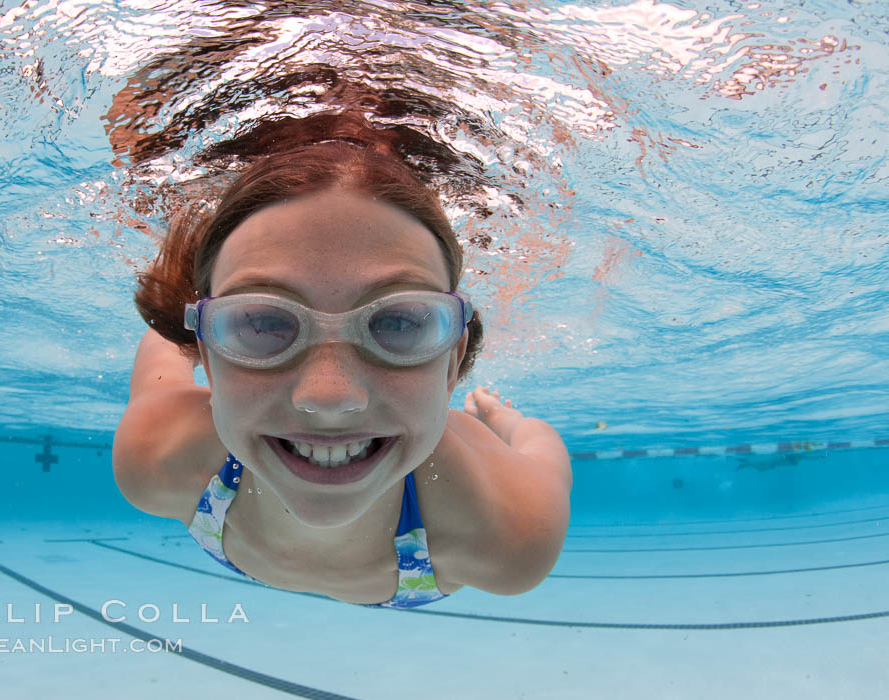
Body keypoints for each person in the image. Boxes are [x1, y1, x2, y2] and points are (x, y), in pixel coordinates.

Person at [112, 114, 572, 609]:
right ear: (205, 352)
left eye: (397, 322)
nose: (328, 399)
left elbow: (541, 450)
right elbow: (164, 346)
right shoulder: (158, 456)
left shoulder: (507, 536)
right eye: (263, 323)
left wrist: (511, 423)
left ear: (453, 359)